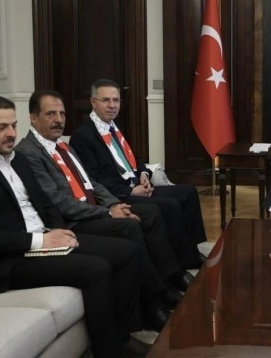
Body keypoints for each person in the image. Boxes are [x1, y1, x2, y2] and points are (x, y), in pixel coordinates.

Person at [0, 95, 143, 357]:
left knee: (127, 251)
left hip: (43, 240)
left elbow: (46, 204)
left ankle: (123, 335)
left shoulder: (18, 159)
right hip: (5, 259)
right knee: (97, 269)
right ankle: (109, 351)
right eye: (1, 127)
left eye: (13, 125)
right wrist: (41, 242)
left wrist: (58, 230)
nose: (11, 133)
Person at [16, 90, 194, 331]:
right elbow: (57, 201)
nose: (58, 120)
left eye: (62, 114)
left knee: (150, 214)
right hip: (73, 220)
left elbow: (90, 182)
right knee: (129, 227)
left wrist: (113, 204)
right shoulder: (28, 152)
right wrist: (107, 213)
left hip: (94, 207)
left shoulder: (62, 145)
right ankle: (152, 302)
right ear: (33, 118)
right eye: (50, 114)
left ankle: (168, 279)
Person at [70, 78, 206, 269]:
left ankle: (190, 250)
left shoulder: (113, 127)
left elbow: (134, 158)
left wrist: (144, 174)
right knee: (170, 205)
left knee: (189, 192)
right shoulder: (83, 136)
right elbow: (93, 179)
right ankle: (180, 261)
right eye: (106, 100)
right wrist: (131, 191)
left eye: (116, 100)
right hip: (118, 194)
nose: (112, 105)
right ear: (93, 102)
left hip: (137, 185)